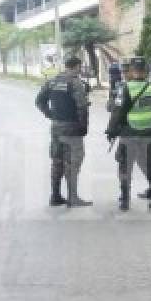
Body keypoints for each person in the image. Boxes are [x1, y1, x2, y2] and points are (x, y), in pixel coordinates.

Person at [106, 57, 151, 211]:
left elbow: (117, 112)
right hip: (149, 133)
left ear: (132, 71)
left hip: (129, 133)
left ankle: (125, 200)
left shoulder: (126, 88)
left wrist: (111, 130)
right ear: (145, 72)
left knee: (125, 167)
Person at [35, 56, 92, 208]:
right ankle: (72, 198)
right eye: (80, 67)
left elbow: (39, 101)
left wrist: (50, 114)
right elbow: (82, 107)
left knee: (57, 161)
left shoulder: (52, 81)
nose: (80, 70)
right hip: (72, 128)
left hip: (56, 127)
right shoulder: (75, 82)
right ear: (76, 66)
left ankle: (55, 196)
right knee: (73, 162)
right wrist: (84, 127)